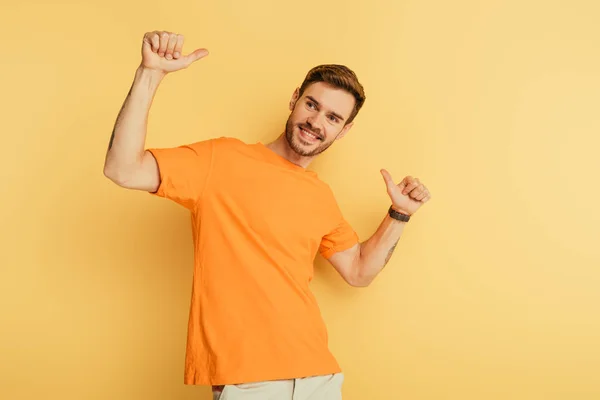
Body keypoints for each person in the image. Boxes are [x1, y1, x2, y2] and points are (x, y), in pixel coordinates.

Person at [103, 30, 432, 400]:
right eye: (311, 105)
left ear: (343, 130)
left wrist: (399, 215)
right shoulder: (221, 159)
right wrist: (150, 75)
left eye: (333, 117)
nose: (316, 122)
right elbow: (123, 168)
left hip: (319, 378)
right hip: (250, 382)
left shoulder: (320, 194)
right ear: (295, 99)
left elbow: (358, 271)